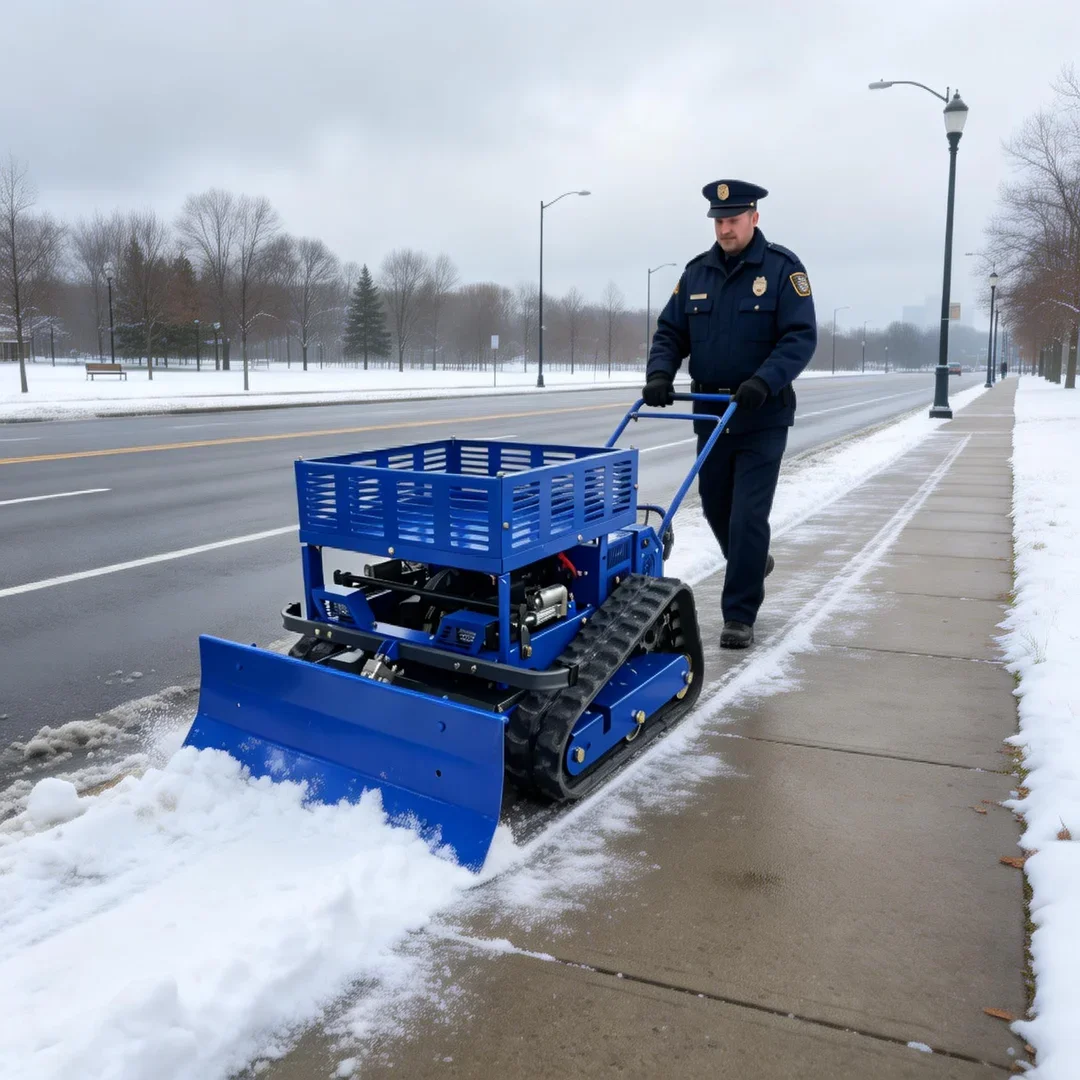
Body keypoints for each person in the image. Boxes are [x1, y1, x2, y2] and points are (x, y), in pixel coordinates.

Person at [643, 179, 817, 648]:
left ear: (754, 218)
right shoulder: (696, 274)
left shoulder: (782, 270)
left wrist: (765, 380)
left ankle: (739, 614)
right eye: (719, 221)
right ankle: (751, 560)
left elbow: (800, 337)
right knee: (716, 503)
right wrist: (661, 374)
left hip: (762, 412)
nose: (725, 229)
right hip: (711, 412)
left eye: (733, 220)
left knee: (747, 517)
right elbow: (669, 332)